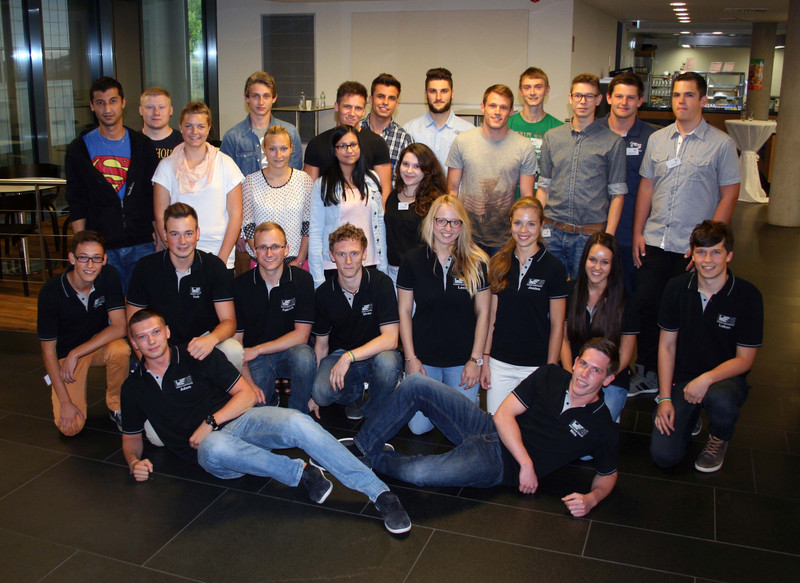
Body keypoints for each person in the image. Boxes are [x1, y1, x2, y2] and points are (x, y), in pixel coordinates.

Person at [121, 309, 411, 534]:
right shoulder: (133, 388)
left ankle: (380, 494)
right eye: (143, 337)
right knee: (214, 445)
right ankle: (299, 472)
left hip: (240, 421)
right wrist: (134, 462)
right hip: (213, 454)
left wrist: (210, 420)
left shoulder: (195, 354)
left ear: (167, 331)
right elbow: (131, 437)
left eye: (156, 332)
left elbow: (247, 395)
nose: (151, 341)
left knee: (298, 422)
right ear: (133, 343)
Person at [348, 337, 620, 518]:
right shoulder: (551, 375)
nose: (584, 374)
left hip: (499, 464)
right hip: (488, 426)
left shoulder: (601, 425)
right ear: (575, 362)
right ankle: (362, 448)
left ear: (608, 379)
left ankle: (377, 459)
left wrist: (592, 499)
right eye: (583, 364)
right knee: (416, 383)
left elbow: (608, 474)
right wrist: (527, 463)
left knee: (419, 473)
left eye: (596, 370)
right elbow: (504, 416)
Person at [631, 72, 741, 396]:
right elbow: (646, 188)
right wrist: (638, 231)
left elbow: (729, 195)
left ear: (703, 100)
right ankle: (647, 371)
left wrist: (708, 247)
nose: (681, 101)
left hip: (691, 248)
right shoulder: (658, 139)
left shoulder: (722, 144)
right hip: (655, 240)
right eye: (677, 95)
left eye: (689, 95)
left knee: (687, 313)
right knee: (647, 307)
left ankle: (681, 377)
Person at [650, 221, 762, 473]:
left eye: (716, 252)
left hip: (725, 379)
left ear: (729, 255)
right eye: (701, 252)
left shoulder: (748, 295)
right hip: (684, 380)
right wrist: (665, 398)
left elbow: (745, 359)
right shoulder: (676, 288)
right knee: (664, 456)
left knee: (721, 401)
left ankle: (719, 437)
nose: (708, 260)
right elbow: (666, 347)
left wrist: (706, 379)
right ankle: (691, 415)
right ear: (692, 254)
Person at [398, 194, 490, 434]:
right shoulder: (412, 261)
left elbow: (484, 313)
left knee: (465, 429)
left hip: (462, 361)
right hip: (424, 360)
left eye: (455, 222)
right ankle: (440, 401)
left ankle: (447, 402)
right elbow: (404, 311)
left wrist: (475, 360)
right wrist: (410, 359)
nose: (448, 229)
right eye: (441, 221)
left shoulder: (477, 262)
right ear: (431, 222)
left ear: (462, 225)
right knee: (418, 428)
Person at [65, 76, 159, 294]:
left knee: (144, 307)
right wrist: (82, 244)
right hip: (102, 246)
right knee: (108, 307)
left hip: (142, 242)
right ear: (92, 106)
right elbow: (76, 200)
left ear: (123, 103)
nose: (107, 109)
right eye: (100, 102)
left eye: (113, 101)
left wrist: (160, 238)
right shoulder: (78, 149)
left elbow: (152, 195)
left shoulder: (143, 146)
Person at [127, 203, 242, 370]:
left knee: (233, 350)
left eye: (188, 233)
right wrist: (149, 367)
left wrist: (211, 339)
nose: (182, 241)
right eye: (175, 234)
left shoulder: (213, 267)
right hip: (163, 346)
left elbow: (229, 322)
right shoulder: (146, 268)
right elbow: (133, 325)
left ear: (197, 233)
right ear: (164, 235)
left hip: (203, 342)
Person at [37, 230, 130, 435]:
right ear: (72, 258)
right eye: (83, 258)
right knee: (70, 429)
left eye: (96, 258)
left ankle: (117, 406)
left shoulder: (109, 276)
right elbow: (48, 351)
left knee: (120, 349)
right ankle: (65, 397)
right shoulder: (51, 292)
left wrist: (77, 353)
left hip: (94, 346)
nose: (90, 265)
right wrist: (65, 402)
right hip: (65, 357)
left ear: (104, 259)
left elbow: (119, 326)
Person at [536, 73, 627, 280]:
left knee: (584, 290)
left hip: (588, 236)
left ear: (598, 99)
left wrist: (607, 238)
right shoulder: (552, 137)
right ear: (570, 98)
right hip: (552, 231)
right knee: (550, 289)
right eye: (578, 95)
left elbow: (618, 195)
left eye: (589, 96)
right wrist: (537, 224)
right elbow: (544, 186)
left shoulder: (613, 142)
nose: (583, 101)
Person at [481, 197, 567, 414]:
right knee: (496, 423)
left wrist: (549, 370)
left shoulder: (554, 268)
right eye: (518, 223)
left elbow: (558, 324)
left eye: (531, 224)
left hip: (535, 366)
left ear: (541, 225)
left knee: (528, 428)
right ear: (510, 222)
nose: (523, 230)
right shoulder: (498, 263)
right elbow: (491, 317)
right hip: (500, 363)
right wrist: (485, 359)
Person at [310, 224, 402, 421]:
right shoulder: (324, 293)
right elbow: (321, 346)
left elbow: (391, 339)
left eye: (354, 253)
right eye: (341, 254)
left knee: (388, 364)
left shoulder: (381, 283)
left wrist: (349, 357)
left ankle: (376, 405)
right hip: (341, 354)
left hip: (377, 353)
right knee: (321, 393)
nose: (348, 261)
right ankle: (355, 393)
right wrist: (313, 394)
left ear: (364, 254)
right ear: (332, 256)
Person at [233, 222, 316, 412]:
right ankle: (271, 400)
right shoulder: (240, 286)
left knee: (304, 356)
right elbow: (237, 343)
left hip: (287, 353)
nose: (269, 253)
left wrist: (258, 349)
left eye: (275, 246)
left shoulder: (302, 280)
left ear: (286, 249)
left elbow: (302, 336)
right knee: (259, 406)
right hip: (255, 359)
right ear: (254, 251)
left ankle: (298, 412)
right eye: (262, 247)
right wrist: (249, 385)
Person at [446, 84, 537, 256]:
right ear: (483, 107)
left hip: (505, 238)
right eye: (492, 106)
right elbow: (452, 190)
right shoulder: (462, 141)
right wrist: (452, 229)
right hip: (468, 235)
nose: (497, 112)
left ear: (511, 112)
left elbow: (527, 197)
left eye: (503, 107)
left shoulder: (524, 147)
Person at [153, 102, 244, 270]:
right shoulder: (166, 166)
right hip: (180, 256)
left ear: (208, 128)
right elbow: (160, 216)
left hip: (219, 253)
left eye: (201, 126)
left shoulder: (226, 164)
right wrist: (175, 253)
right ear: (180, 127)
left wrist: (221, 260)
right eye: (189, 126)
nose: (195, 132)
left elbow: (236, 215)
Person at [561, 233, 638, 422]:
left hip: (609, 379)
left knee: (595, 426)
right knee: (562, 422)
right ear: (584, 260)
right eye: (593, 260)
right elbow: (563, 340)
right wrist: (571, 374)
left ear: (613, 265)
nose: (597, 267)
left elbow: (626, 352)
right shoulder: (569, 291)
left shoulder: (626, 300)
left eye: (605, 262)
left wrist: (602, 378)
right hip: (573, 372)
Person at [596, 73, 656, 293]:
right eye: (619, 96)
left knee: (629, 294)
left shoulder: (653, 138)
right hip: (594, 228)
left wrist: (640, 233)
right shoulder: (593, 131)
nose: (624, 102)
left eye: (631, 98)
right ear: (608, 98)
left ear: (640, 101)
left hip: (633, 232)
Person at [308, 125, 387, 287]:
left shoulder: (372, 180)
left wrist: (383, 266)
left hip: (369, 262)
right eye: (342, 146)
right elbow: (315, 232)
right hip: (335, 264)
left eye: (353, 144)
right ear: (334, 150)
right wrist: (317, 279)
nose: (349, 150)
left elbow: (380, 225)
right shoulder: (323, 185)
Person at [303, 81, 392, 203]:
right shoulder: (316, 144)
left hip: (365, 212)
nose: (352, 113)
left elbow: (384, 190)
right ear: (336, 106)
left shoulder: (377, 143)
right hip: (328, 211)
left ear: (364, 111)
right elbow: (309, 192)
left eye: (358, 108)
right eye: (347, 107)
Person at [241, 125, 313, 266]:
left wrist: (299, 260)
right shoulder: (251, 182)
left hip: (296, 262)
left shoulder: (304, 180)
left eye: (284, 148)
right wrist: (262, 257)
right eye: (272, 149)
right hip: (261, 262)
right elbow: (248, 225)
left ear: (291, 148)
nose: (278, 155)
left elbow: (308, 224)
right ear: (264, 148)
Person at [384, 143, 446, 282]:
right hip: (393, 271)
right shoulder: (392, 197)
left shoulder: (436, 202)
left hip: (422, 272)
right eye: (405, 164)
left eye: (417, 166)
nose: (409, 170)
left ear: (427, 170)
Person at [220, 71, 303, 174]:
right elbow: (225, 176)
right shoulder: (232, 138)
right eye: (255, 96)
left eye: (266, 96)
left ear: (274, 98)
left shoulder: (291, 133)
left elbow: (295, 174)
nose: (261, 102)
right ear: (246, 98)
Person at [403, 67, 474, 169]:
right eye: (433, 91)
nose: (438, 97)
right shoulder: (410, 130)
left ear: (452, 93)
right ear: (426, 94)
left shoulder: (468, 131)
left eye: (444, 91)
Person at [507, 67, 564, 190]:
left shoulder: (559, 129)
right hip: (510, 198)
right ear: (520, 91)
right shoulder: (507, 125)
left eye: (538, 87)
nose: (532, 92)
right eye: (527, 87)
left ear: (547, 90)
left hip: (544, 197)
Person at [361, 73, 413, 173]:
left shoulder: (404, 139)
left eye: (391, 98)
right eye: (381, 96)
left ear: (396, 103)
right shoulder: (354, 130)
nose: (385, 102)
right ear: (371, 99)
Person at [139, 87, 183, 159]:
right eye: (150, 107)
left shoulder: (183, 143)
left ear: (171, 110)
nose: (156, 112)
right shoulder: (131, 143)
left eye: (161, 107)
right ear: (141, 110)